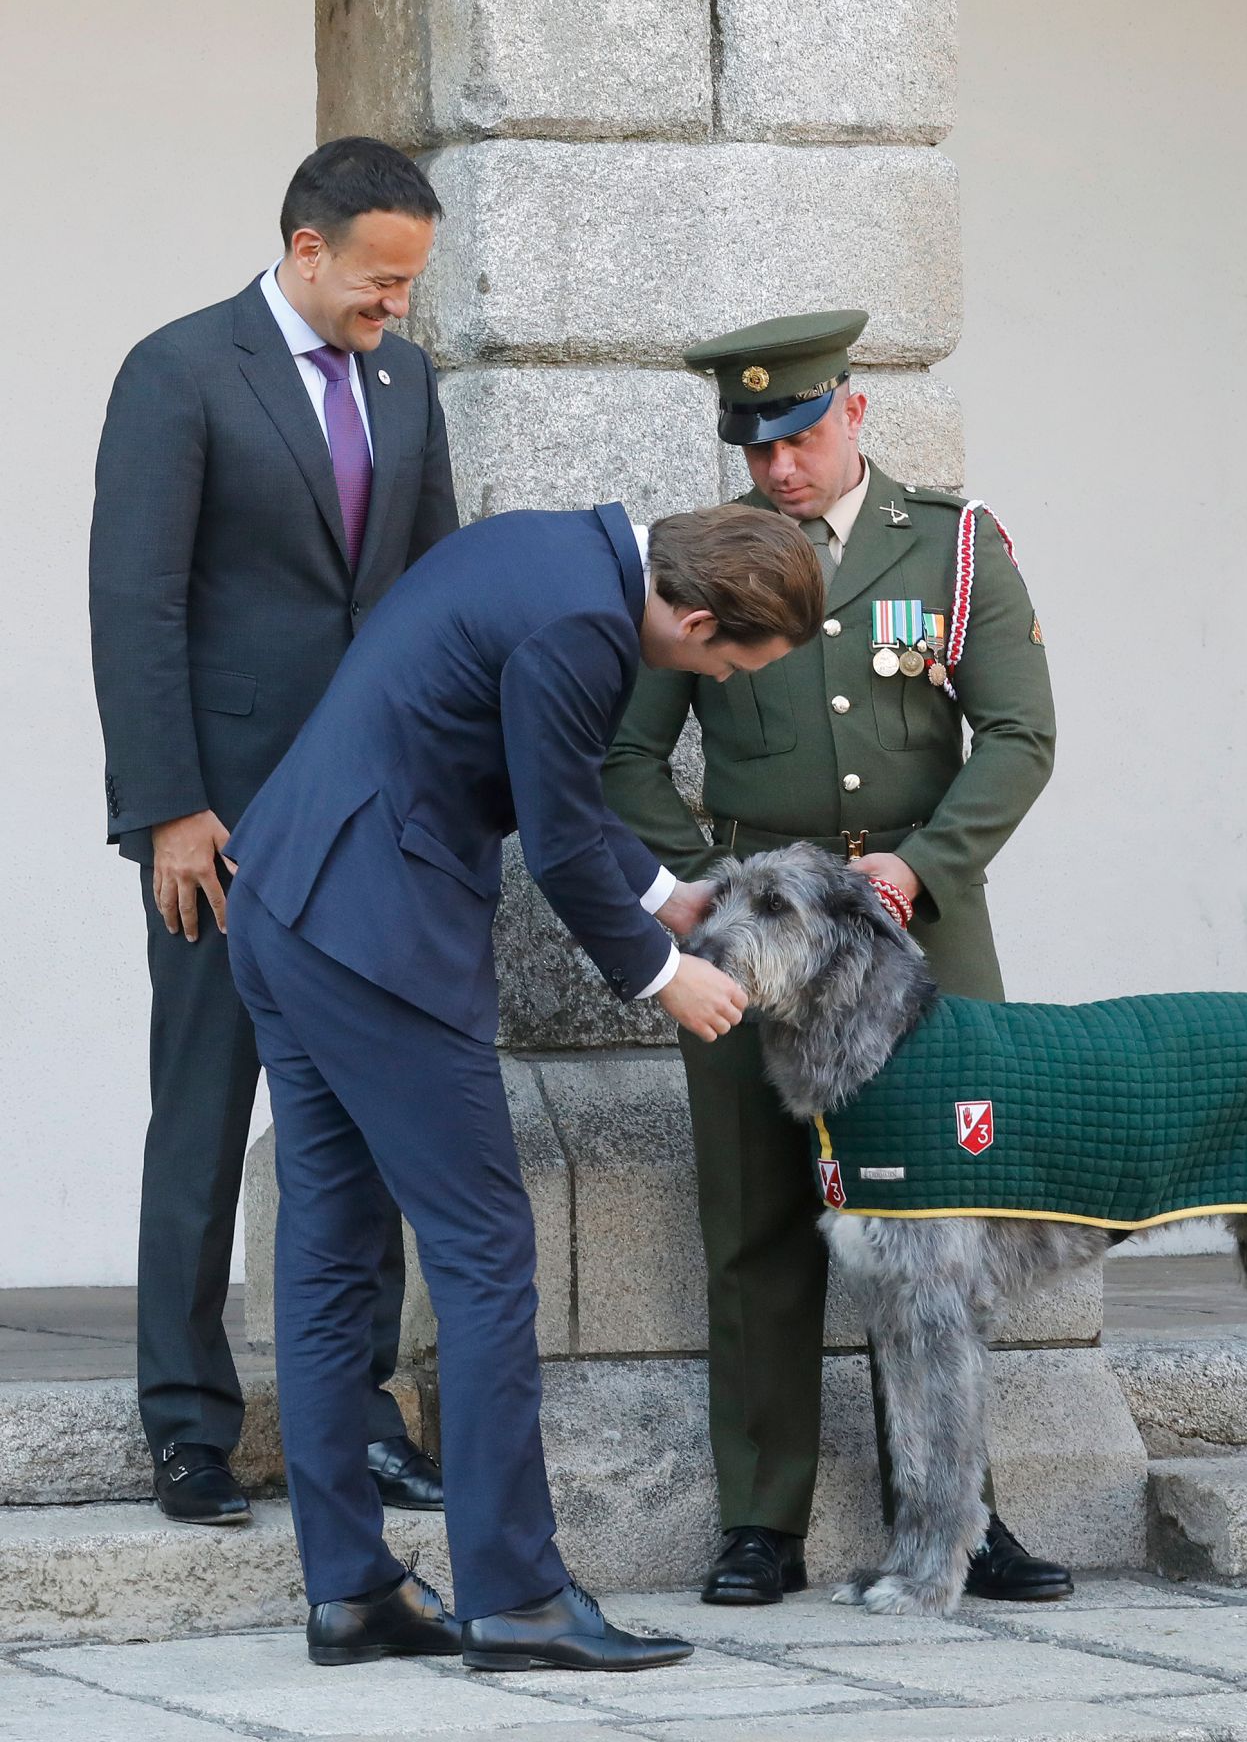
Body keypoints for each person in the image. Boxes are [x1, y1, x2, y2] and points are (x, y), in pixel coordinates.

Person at [224, 501, 824, 1669]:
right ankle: (518, 1595)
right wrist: (666, 978)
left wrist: (666, 895)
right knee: (486, 1253)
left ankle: (350, 1589)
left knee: (329, 1250)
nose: (718, 676)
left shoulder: (557, 555)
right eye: (729, 661)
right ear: (697, 617)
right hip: (373, 930)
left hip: (288, 901)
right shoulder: (583, 628)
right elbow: (551, 840)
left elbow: (548, 787)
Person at [603, 310, 1071, 1604]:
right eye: (755, 449)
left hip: (919, 937)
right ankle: (761, 1520)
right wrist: (694, 897)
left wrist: (921, 863)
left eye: (800, 437)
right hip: (757, 944)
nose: (779, 471)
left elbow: (1019, 736)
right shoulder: (700, 559)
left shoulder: (957, 546)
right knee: (755, 1219)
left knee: (941, 1225)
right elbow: (626, 754)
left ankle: (966, 1518)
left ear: (853, 412)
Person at [89, 138, 458, 1526]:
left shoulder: (407, 382)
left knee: (357, 1126)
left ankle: (353, 1412)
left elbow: (431, 595)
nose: (396, 307)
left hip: (372, 823)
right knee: (203, 1114)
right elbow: (135, 606)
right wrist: (169, 810)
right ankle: (188, 1425)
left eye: (410, 284)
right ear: (307, 251)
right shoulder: (178, 371)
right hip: (221, 829)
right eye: (378, 281)